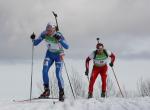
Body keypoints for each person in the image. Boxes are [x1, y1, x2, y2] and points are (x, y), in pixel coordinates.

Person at [30, 23, 69, 101]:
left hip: (59, 55)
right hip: (49, 54)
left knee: (58, 74)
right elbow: (35, 43)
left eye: (50, 30)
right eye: (47, 30)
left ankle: (61, 92)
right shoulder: (44, 34)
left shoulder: (58, 34)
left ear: (54, 30)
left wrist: (60, 40)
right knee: (44, 71)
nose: (48, 32)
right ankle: (47, 90)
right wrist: (33, 39)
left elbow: (67, 46)